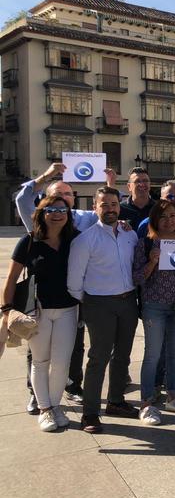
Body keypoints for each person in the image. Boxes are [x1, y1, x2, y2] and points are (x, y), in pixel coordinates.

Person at [13, 163, 115, 411]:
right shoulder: (37, 218)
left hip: (72, 297)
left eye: (67, 194)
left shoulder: (85, 219)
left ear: (74, 198)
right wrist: (46, 176)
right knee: (37, 352)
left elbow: (108, 215)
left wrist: (111, 185)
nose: (62, 200)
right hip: (42, 298)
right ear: (46, 201)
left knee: (74, 346)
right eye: (56, 195)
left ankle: (71, 386)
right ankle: (36, 394)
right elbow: (22, 197)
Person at [2, 196, 79, 431]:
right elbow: (12, 279)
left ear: (68, 214)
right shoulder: (29, 242)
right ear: (41, 213)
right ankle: (44, 409)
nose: (57, 214)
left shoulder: (75, 240)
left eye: (62, 210)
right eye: (51, 210)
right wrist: (6, 310)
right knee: (40, 360)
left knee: (61, 362)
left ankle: (55, 406)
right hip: (38, 311)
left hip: (68, 309)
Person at [67, 187, 140, 433]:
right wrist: (91, 301)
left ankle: (116, 401)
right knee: (98, 358)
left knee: (123, 355)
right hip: (99, 305)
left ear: (119, 206)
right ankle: (89, 413)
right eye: (104, 205)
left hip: (128, 302)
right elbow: (74, 282)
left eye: (113, 204)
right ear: (94, 208)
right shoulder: (85, 240)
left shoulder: (130, 235)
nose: (110, 209)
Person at [133, 200, 175, 425]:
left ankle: (173, 397)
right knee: (152, 356)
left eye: (172, 216)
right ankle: (146, 403)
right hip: (154, 307)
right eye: (163, 217)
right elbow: (138, 278)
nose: (169, 221)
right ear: (154, 220)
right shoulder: (146, 243)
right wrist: (151, 262)